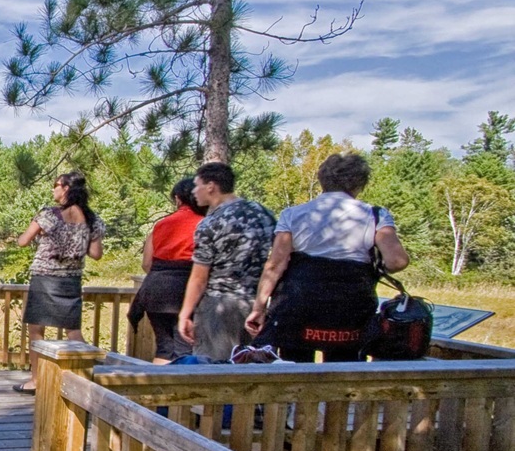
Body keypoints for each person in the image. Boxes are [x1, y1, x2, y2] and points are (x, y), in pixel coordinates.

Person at [245, 153, 410, 362]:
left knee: (294, 369)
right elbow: (397, 261)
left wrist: (259, 308)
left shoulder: (293, 214)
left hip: (298, 303)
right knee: (343, 370)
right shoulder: (375, 215)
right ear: (359, 184)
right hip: (350, 305)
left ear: (322, 179)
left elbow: (275, 265)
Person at [13, 171, 105, 392]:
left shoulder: (49, 215)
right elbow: (96, 253)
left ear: (65, 188)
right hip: (71, 280)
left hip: (45, 278)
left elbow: (23, 241)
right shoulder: (93, 219)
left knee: (36, 330)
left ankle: (36, 381)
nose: (53, 189)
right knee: (72, 330)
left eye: (56, 185)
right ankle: (87, 378)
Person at [178, 162, 277, 362]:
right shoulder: (264, 214)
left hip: (218, 307)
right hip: (257, 304)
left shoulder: (211, 223)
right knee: (255, 366)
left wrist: (185, 314)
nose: (194, 192)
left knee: (213, 370)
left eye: (197, 185)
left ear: (211, 186)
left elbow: (199, 278)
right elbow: (277, 259)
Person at [129, 178, 207, 363]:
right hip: (186, 289)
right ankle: (180, 392)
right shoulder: (205, 224)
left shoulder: (161, 224)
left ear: (178, 199)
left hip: (156, 289)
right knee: (185, 349)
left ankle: (154, 391)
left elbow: (147, 262)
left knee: (164, 348)